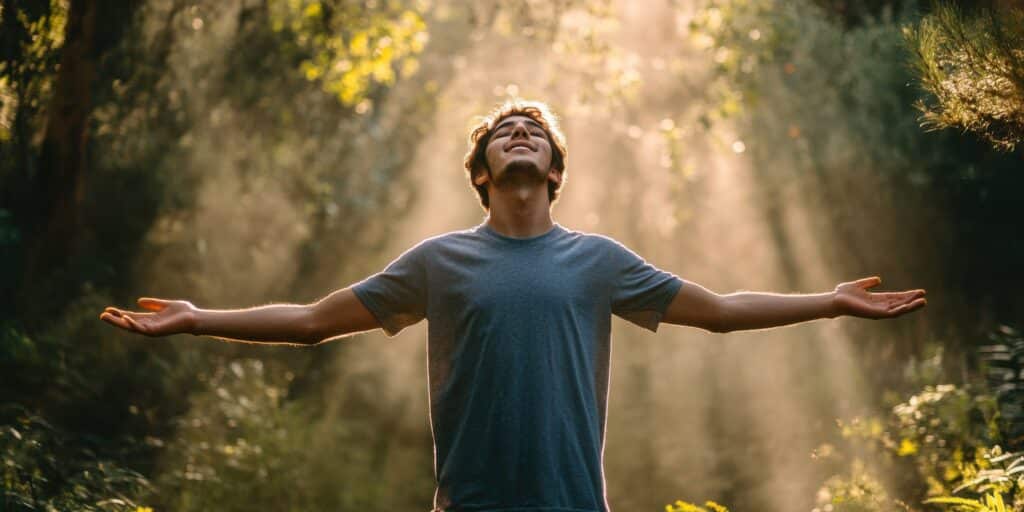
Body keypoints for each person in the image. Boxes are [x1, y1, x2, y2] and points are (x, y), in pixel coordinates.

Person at [100, 99, 927, 512]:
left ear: (556, 173)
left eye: (534, 129)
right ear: (483, 172)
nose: (520, 130)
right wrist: (197, 316)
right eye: (505, 129)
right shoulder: (440, 262)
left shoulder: (600, 261)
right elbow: (315, 322)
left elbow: (716, 310)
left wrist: (829, 302)